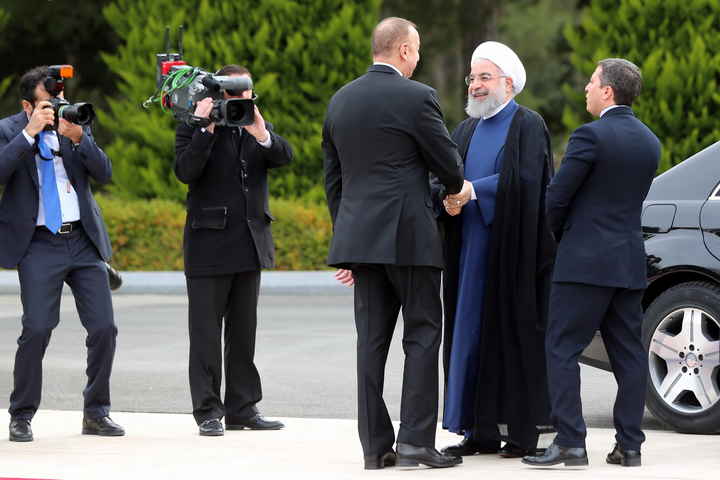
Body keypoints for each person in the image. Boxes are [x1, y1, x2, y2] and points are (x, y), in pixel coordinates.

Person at [323, 17, 465, 470]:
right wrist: (453, 190)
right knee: (422, 335)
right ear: (404, 50)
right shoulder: (417, 97)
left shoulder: (340, 100)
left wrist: (347, 242)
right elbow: (449, 166)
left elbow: (333, 181)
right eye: (417, 50)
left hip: (361, 243)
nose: (418, 58)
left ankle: (374, 447)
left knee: (370, 344)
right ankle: (416, 443)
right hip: (410, 239)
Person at [523, 58, 660, 468]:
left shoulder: (590, 136)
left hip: (583, 263)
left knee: (562, 347)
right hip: (628, 264)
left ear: (608, 91)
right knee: (629, 355)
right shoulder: (650, 141)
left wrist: (562, 238)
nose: (586, 87)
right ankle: (629, 446)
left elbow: (556, 197)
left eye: (591, 81)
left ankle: (570, 442)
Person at [437, 42, 556, 459]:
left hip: (511, 254)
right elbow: (445, 176)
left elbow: (529, 182)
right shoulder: (465, 129)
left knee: (511, 339)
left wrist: (473, 191)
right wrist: (447, 198)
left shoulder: (528, 124)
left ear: (509, 83)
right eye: (472, 77)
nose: (476, 85)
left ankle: (521, 434)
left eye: (485, 77)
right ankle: (478, 430)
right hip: (467, 251)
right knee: (468, 337)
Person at [0, 66, 123, 441]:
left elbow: (104, 172)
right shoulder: (8, 129)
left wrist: (80, 138)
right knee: (37, 328)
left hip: (82, 240)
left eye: (59, 100)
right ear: (27, 106)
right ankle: (21, 414)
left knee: (104, 328)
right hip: (38, 243)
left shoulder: (74, 121)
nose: (57, 108)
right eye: (47, 104)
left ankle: (96, 413)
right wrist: (29, 133)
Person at [174, 64, 292, 437]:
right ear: (218, 94)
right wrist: (204, 127)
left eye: (247, 94)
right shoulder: (193, 125)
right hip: (208, 245)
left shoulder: (254, 124)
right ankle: (208, 411)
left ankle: (243, 408)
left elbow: (284, 156)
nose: (242, 100)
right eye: (235, 94)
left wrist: (261, 132)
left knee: (244, 333)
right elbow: (185, 171)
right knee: (206, 336)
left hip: (249, 243)